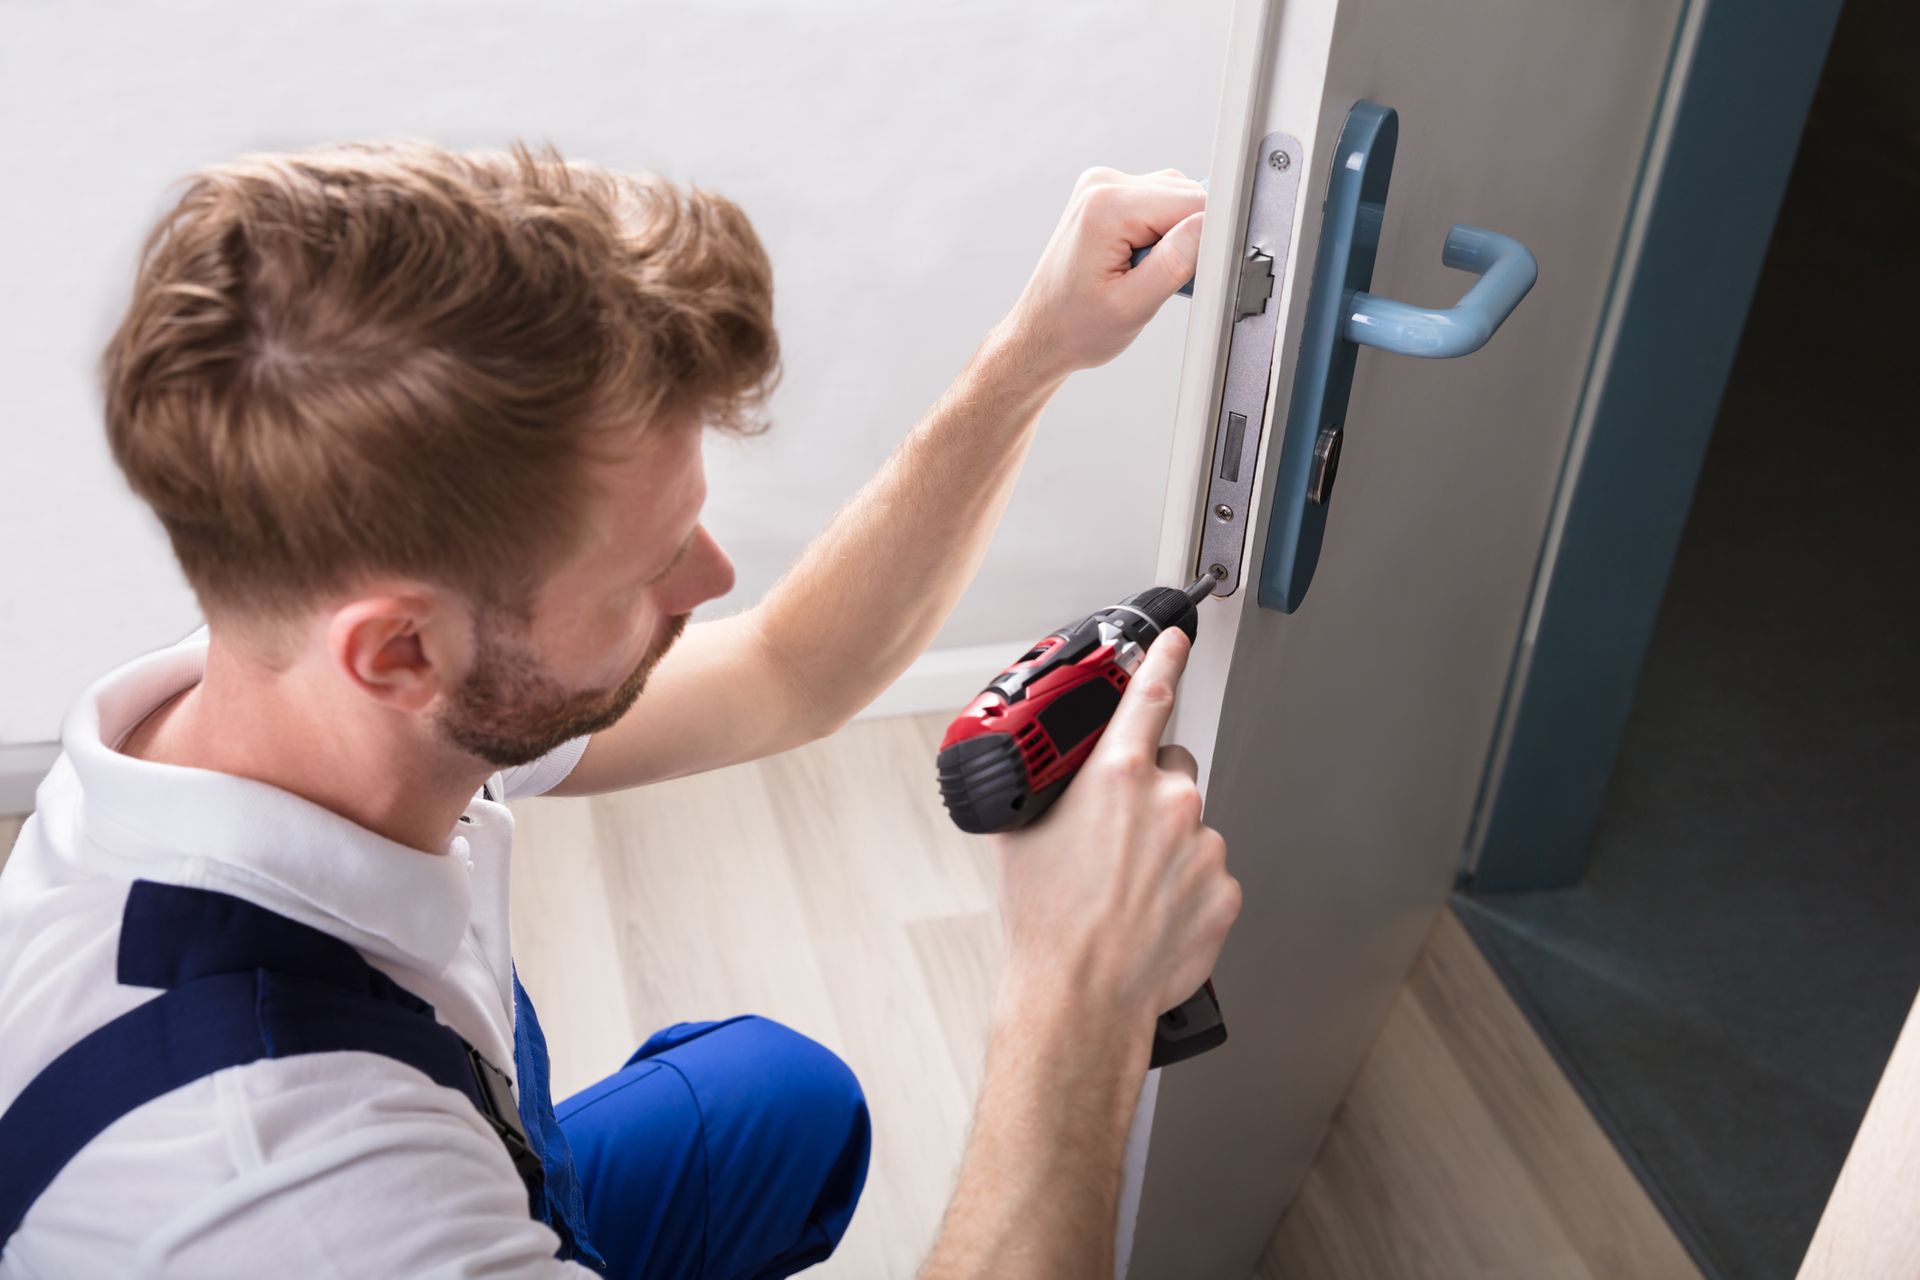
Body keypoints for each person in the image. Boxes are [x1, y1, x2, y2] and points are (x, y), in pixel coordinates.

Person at [0, 140, 1239, 1279]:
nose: (711, 579)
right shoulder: (311, 1204)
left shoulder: (304, 694)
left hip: (473, 1124)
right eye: (648, 566)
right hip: (377, 1177)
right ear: (402, 651)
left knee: (784, 1103)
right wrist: (1081, 995)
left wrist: (1033, 354)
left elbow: (791, 672)